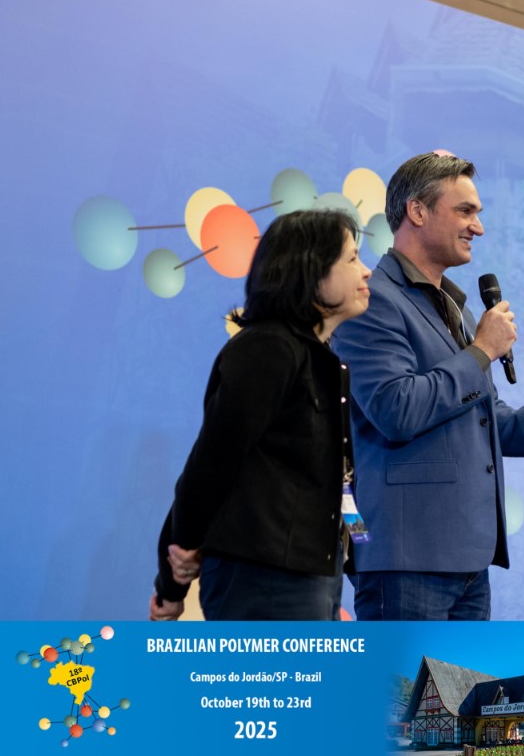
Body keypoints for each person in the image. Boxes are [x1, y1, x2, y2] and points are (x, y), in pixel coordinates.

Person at [330, 152, 524, 620]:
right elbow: (396, 409)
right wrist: (481, 351)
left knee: (465, 674)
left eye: (478, 213)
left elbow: (485, 419)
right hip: (406, 559)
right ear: (417, 211)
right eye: (465, 211)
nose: (479, 227)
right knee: (405, 675)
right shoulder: (374, 301)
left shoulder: (456, 310)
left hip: (469, 562)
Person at [149, 208, 371, 621]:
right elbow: (211, 463)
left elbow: (340, 480)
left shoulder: (323, 360)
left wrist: (361, 553)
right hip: (267, 579)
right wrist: (172, 578)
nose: (366, 271)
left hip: (317, 576)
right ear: (312, 271)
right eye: (353, 258)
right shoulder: (268, 347)